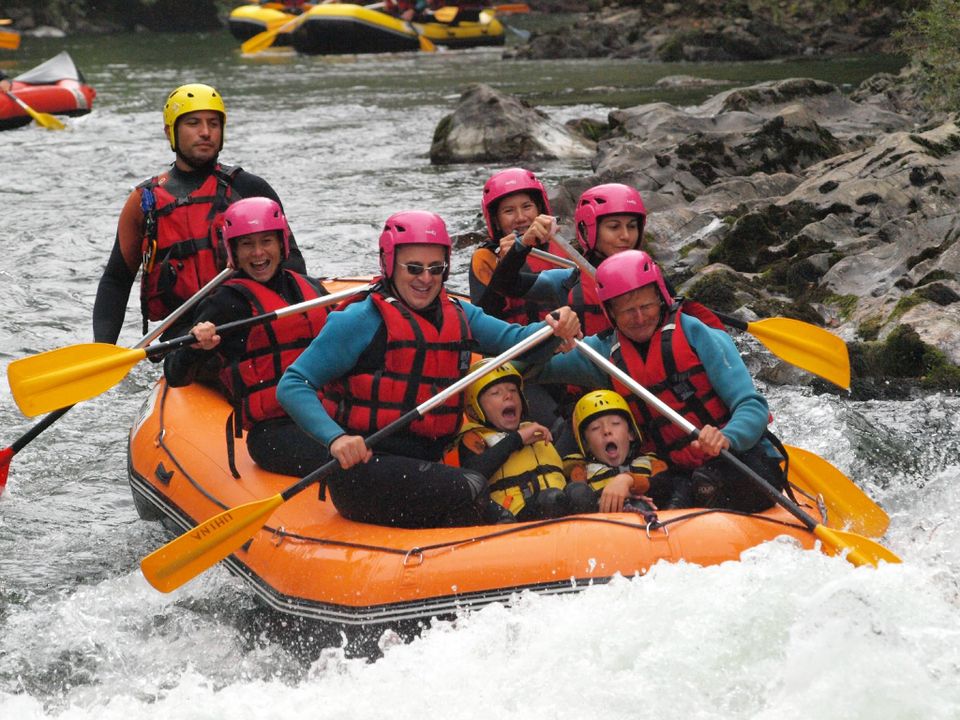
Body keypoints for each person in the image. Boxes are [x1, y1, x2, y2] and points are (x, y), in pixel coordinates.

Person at [277, 210, 581, 529]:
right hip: (365, 470)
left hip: (430, 464)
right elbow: (293, 384)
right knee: (470, 487)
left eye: (436, 268)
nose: (426, 278)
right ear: (389, 264)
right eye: (414, 268)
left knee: (475, 494)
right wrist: (335, 439)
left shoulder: (461, 315)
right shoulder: (358, 321)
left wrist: (554, 329)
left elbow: (517, 342)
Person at [535, 249, 787, 513]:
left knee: (709, 482)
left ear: (661, 299)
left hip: (733, 457)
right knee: (676, 489)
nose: (640, 317)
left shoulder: (697, 333)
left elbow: (752, 405)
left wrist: (726, 437)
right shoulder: (600, 353)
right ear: (611, 313)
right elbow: (535, 370)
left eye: (646, 306)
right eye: (628, 311)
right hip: (672, 471)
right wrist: (551, 337)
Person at [93, 82, 306, 345]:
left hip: (247, 317)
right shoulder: (144, 203)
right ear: (170, 131)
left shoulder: (250, 189)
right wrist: (103, 347)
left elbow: (293, 262)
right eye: (193, 123)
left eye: (214, 124)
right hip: (183, 335)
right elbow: (116, 280)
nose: (205, 132)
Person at [163, 197, 328, 477]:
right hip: (274, 432)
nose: (258, 253)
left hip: (326, 416)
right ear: (234, 252)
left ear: (281, 244)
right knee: (351, 454)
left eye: (266, 241)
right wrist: (196, 346)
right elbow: (175, 374)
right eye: (247, 244)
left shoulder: (311, 290)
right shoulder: (227, 303)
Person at [490, 182, 647, 337]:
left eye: (632, 226)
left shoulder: (652, 280)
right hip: (583, 359)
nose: (625, 236)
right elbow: (503, 284)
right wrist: (522, 244)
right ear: (587, 232)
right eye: (614, 227)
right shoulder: (569, 281)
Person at [453, 360, 593, 522]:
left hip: (556, 505)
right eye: (496, 393)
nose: (508, 395)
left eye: (513, 390)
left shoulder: (535, 430)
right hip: (514, 518)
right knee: (551, 499)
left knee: (580, 493)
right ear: (473, 410)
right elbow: (473, 476)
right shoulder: (474, 438)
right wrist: (517, 439)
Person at [469, 167, 569, 323]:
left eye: (527, 207)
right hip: (518, 343)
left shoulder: (564, 248)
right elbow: (483, 320)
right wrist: (506, 264)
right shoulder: (485, 258)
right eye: (509, 211)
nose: (521, 218)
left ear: (539, 209)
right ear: (496, 220)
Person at [563, 389, 669, 513]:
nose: (606, 431)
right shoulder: (582, 472)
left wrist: (629, 481)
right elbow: (577, 499)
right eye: (595, 428)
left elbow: (665, 485)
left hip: (648, 520)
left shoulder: (652, 463)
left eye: (615, 423)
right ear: (586, 445)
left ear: (631, 434)